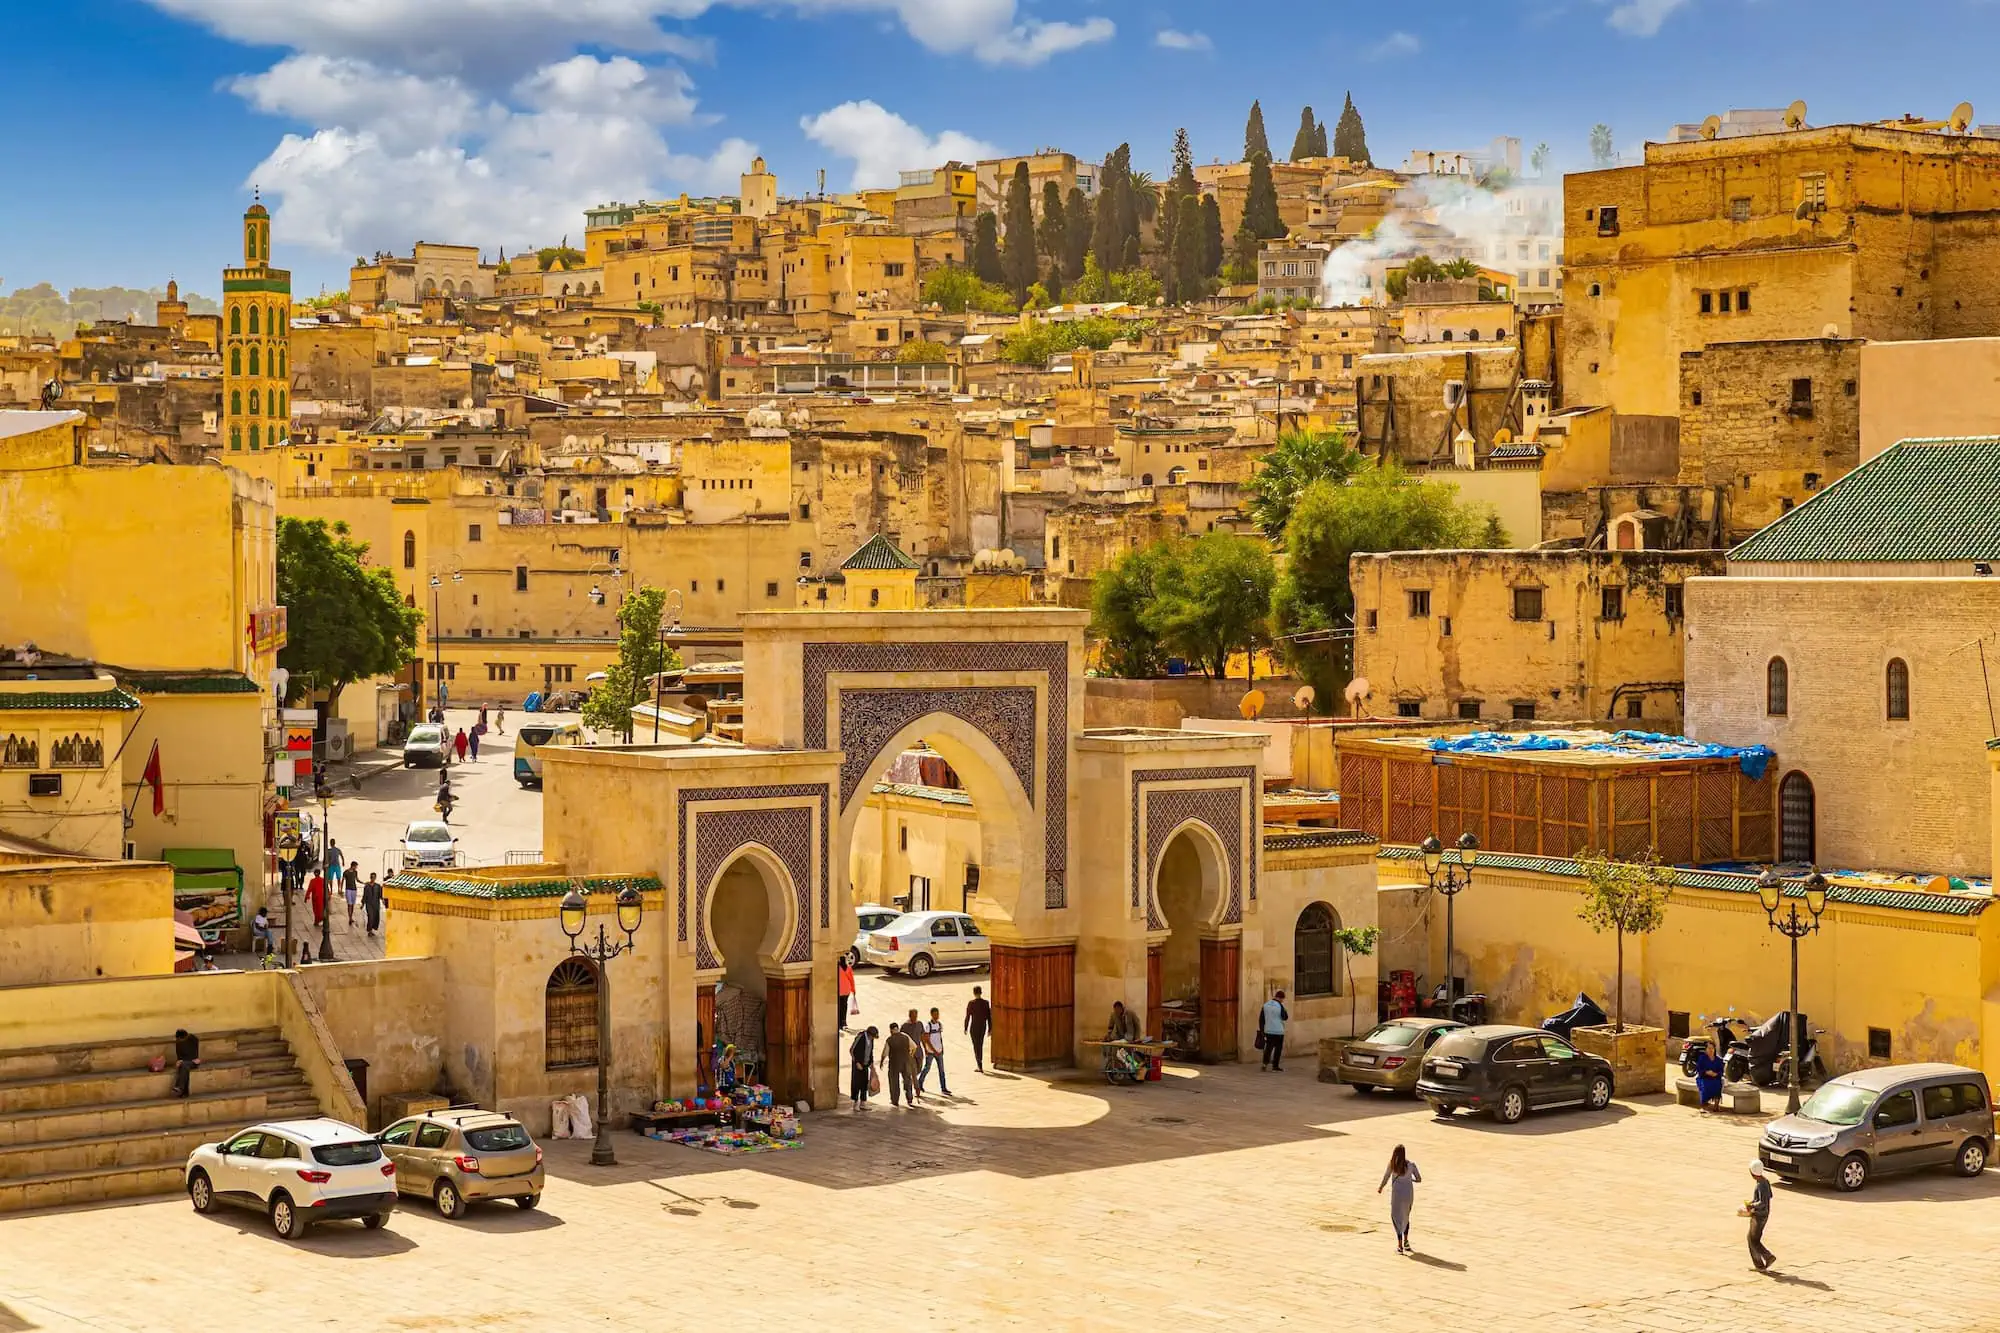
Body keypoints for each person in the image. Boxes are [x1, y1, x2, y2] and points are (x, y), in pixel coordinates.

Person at [1378, 1144, 1422, 1254]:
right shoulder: (1411, 1165)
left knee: (1396, 1217)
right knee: (1405, 1217)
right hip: (1408, 1195)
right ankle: (1406, 1241)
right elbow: (1419, 1179)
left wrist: (1381, 1187)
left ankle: (1399, 1245)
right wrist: (1410, 1180)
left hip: (1397, 1195)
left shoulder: (1392, 1165)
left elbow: (1386, 1177)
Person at [1742, 1160, 1776, 1271]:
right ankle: (1759, 1264)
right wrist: (1753, 1201)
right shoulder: (1765, 1181)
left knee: (1753, 1240)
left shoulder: (1761, 1185)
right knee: (1752, 1239)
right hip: (1763, 1214)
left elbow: (1762, 1202)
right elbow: (1768, 1196)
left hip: (1759, 1216)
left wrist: (1751, 1205)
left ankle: (1767, 1257)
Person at [880, 1020, 920, 1107]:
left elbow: (885, 1053)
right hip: (906, 1062)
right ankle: (909, 1099)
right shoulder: (905, 1036)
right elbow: (914, 1047)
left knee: (894, 1082)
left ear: (891, 1030)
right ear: (897, 1028)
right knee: (907, 1081)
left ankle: (895, 1100)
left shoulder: (890, 1040)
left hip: (894, 1064)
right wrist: (910, 1055)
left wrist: (882, 1062)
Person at [918, 1006, 951, 1097]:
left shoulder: (939, 1025)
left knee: (941, 1070)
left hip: (939, 1051)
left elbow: (939, 1038)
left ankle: (943, 1088)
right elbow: (926, 1039)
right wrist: (932, 1050)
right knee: (927, 1068)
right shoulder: (928, 1026)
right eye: (935, 1014)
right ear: (931, 1014)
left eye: (937, 1014)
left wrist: (941, 1049)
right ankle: (919, 1083)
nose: (937, 1016)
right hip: (931, 1052)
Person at [1259, 989, 1290, 1071]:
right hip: (1278, 1031)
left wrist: (1262, 1031)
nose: (1283, 1001)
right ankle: (1275, 1066)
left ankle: (1264, 1064)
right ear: (1281, 998)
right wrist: (1285, 1010)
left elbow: (1261, 1020)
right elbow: (1285, 1017)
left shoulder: (1265, 1005)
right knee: (1278, 1049)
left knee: (1268, 1048)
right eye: (1283, 999)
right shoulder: (1280, 1006)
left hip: (1268, 1030)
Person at [848, 1025, 878, 1108]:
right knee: (856, 1083)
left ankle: (863, 1102)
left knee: (864, 1083)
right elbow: (852, 1050)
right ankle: (855, 1102)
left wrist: (871, 1063)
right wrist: (857, 1062)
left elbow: (870, 1052)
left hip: (865, 1064)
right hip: (858, 1064)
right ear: (869, 1034)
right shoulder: (860, 1037)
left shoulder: (871, 1040)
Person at [964, 985, 991, 1074]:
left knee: (976, 1046)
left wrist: (965, 1027)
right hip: (983, 1027)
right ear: (981, 992)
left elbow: (968, 1016)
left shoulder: (971, 1003)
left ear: (974, 993)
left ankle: (979, 1065)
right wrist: (990, 1028)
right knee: (980, 1044)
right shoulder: (986, 1003)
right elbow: (989, 1017)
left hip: (974, 1027)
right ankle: (980, 1064)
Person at [1694, 1039, 1725, 1111]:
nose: (1711, 1050)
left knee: (1718, 1084)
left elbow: (1721, 1071)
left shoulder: (1718, 1060)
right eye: (1709, 1048)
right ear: (1706, 1050)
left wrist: (1716, 1074)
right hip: (1703, 1077)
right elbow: (1698, 1069)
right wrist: (1706, 1072)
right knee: (1705, 1086)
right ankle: (1703, 1106)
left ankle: (1716, 1106)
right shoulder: (1702, 1058)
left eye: (1712, 1048)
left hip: (1715, 1077)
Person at [170, 1029, 200, 1098]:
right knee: (183, 1067)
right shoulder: (178, 1043)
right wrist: (179, 1061)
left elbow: (194, 1053)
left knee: (184, 1066)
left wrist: (194, 1059)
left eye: (181, 1039)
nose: (180, 1040)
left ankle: (179, 1088)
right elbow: (179, 1056)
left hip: (194, 1061)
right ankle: (183, 1091)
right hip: (185, 1062)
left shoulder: (192, 1039)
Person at [835, 954, 856, 1032]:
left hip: (839, 990)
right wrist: (853, 990)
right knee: (844, 1006)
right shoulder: (848, 968)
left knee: (839, 1006)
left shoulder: (837, 968)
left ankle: (839, 1022)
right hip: (846, 990)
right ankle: (843, 1022)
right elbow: (851, 980)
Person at [342, 861, 360, 928]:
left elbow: (357, 880)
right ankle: (349, 918)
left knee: (352, 904)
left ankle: (351, 917)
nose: (356, 868)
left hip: (354, 890)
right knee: (349, 904)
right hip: (348, 889)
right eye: (356, 866)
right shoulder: (346, 872)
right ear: (353, 866)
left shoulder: (355, 872)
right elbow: (342, 880)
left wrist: (363, 883)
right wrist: (340, 889)